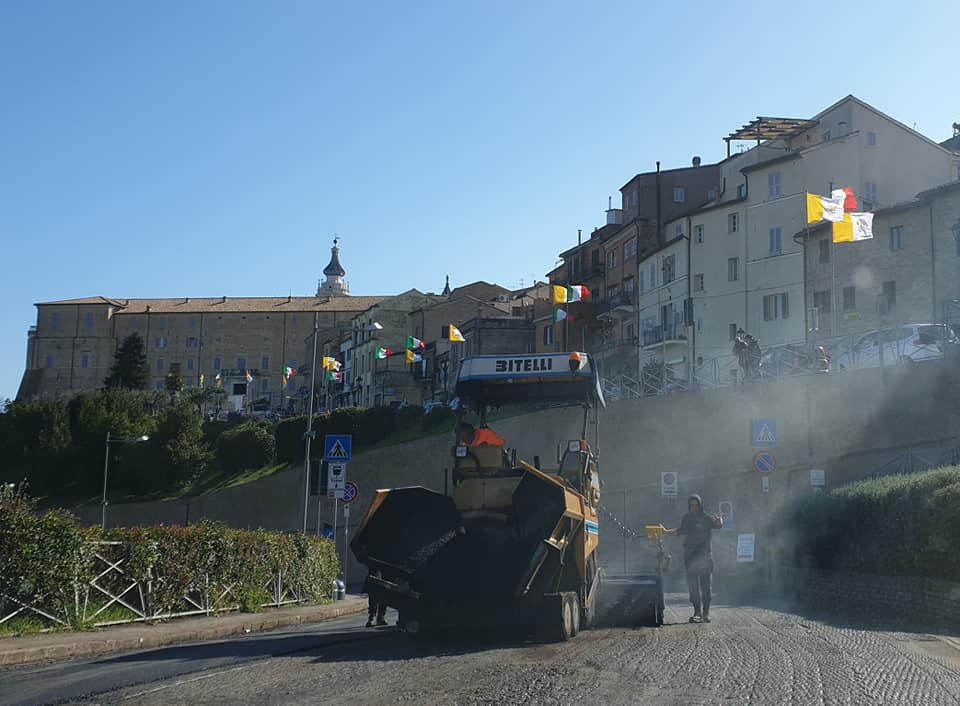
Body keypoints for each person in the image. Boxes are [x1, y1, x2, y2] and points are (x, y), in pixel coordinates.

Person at [662, 494, 723, 623]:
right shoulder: (687, 518)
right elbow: (679, 531)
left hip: (705, 558)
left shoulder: (706, 518)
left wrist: (720, 522)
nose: (694, 507)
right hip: (690, 559)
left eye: (696, 505)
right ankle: (697, 612)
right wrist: (665, 531)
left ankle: (706, 613)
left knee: (706, 588)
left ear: (700, 505)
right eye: (691, 505)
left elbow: (718, 525)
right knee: (693, 588)